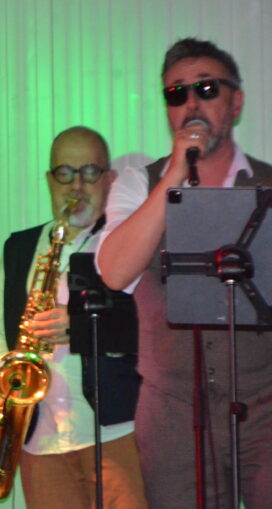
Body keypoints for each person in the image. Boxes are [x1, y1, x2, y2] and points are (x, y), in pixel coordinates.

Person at [97, 38, 272, 508]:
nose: (191, 103)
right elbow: (113, 272)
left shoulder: (269, 184)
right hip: (173, 413)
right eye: (176, 94)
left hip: (266, 405)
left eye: (206, 88)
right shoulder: (139, 183)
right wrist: (174, 176)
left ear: (236, 102)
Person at [0, 126, 147, 508]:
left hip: (115, 434)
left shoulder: (127, 244)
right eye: (65, 173)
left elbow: (148, 328)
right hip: (41, 439)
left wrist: (79, 327)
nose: (77, 186)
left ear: (109, 179)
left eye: (89, 172)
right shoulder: (20, 247)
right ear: (49, 180)